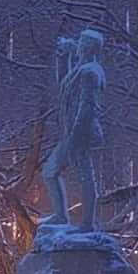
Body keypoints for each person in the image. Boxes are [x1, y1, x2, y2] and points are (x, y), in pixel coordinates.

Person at [43, 28, 105, 232]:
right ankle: (61, 216)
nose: (76, 45)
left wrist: (74, 137)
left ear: (86, 47)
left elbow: (87, 107)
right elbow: (64, 86)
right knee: (50, 171)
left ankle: (88, 223)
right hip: (71, 132)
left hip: (81, 133)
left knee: (85, 176)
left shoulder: (91, 72)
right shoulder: (82, 68)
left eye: (79, 43)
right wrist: (64, 57)